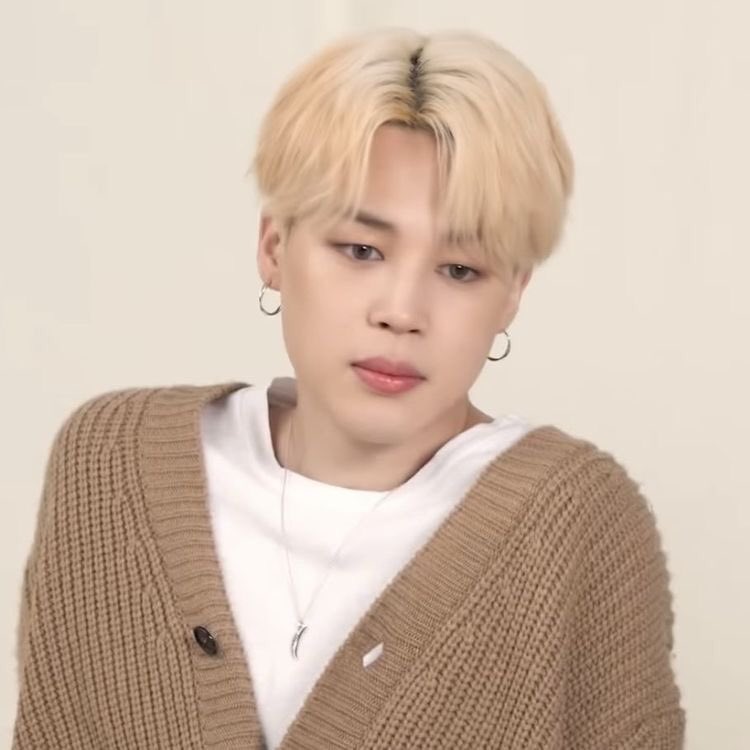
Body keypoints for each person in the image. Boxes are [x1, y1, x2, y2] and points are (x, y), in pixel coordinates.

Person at [12, 27, 686, 749]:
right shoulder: (112, 466)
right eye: (361, 250)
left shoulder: (578, 525)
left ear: (513, 294)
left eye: (460, 269)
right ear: (274, 246)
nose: (402, 310)